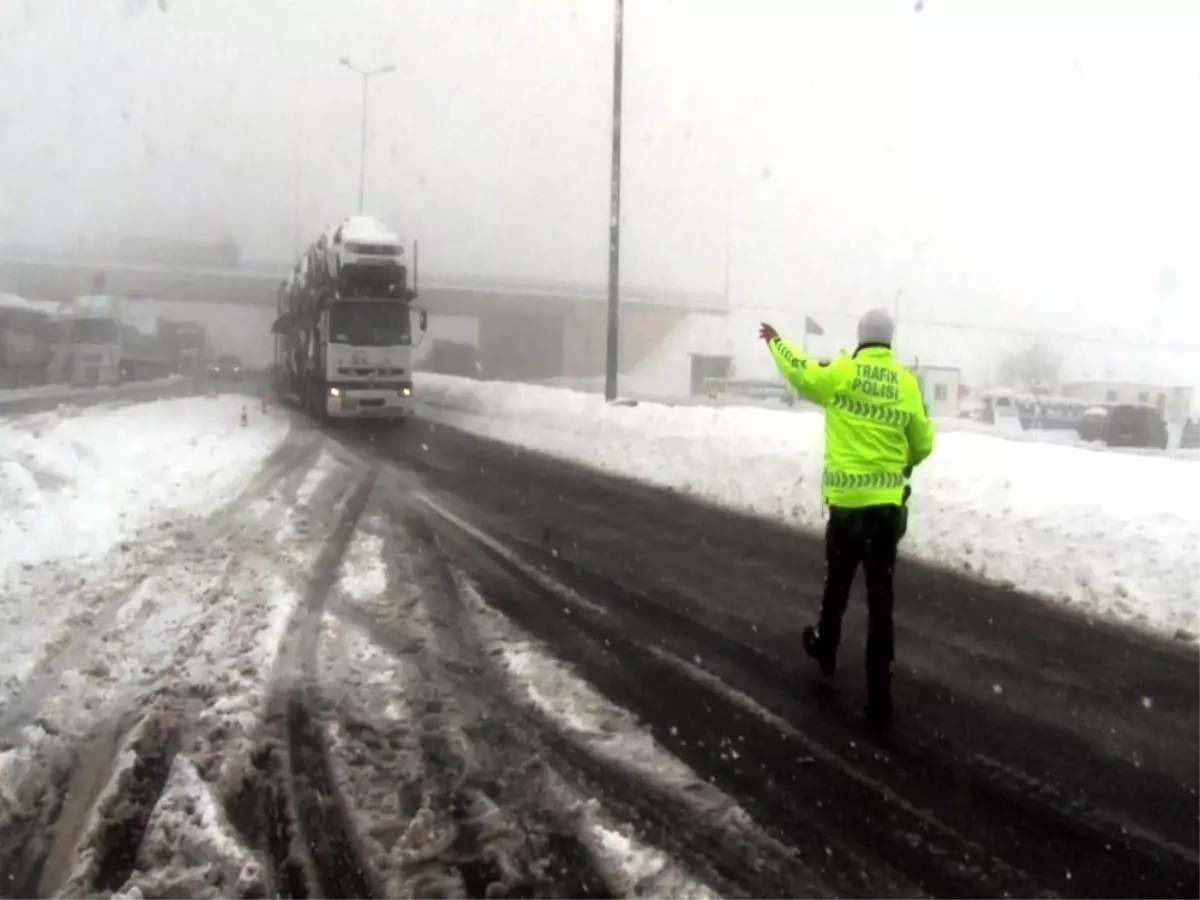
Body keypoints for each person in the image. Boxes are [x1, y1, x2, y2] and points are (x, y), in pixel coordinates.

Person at [760, 308, 935, 728]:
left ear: (861, 337)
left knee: (837, 585)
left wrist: (775, 342)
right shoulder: (906, 384)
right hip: (886, 510)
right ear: (890, 340)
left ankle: (826, 648)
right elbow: (923, 442)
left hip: (847, 507)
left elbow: (801, 372)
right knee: (880, 601)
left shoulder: (842, 371)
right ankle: (878, 694)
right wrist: (904, 462)